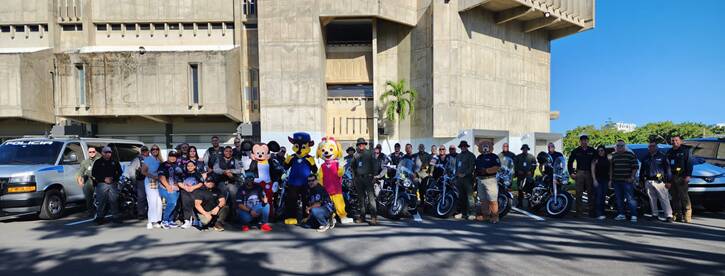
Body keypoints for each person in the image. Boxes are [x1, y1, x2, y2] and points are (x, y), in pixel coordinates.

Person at [641, 141, 673, 222]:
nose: (651, 148)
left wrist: (668, 181)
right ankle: (655, 214)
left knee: (664, 198)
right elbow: (642, 170)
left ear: (656, 147)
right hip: (648, 181)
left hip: (660, 181)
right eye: (650, 146)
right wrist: (641, 181)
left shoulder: (662, 156)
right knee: (652, 199)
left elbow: (668, 170)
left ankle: (669, 216)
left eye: (653, 146)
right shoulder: (646, 157)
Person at [91, 146, 123, 225]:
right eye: (106, 152)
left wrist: (113, 178)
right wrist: (103, 179)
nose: (108, 154)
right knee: (101, 201)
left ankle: (115, 217)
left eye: (109, 152)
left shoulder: (114, 162)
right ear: (102, 153)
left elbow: (119, 172)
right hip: (102, 184)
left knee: (114, 201)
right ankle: (100, 217)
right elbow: (94, 173)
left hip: (113, 183)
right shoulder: (98, 162)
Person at [568, 134, 597, 217]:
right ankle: (578, 213)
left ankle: (591, 212)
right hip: (579, 173)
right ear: (580, 142)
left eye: (586, 140)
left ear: (588, 141)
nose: (584, 142)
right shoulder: (576, 151)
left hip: (589, 173)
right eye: (582, 140)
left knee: (590, 193)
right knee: (578, 193)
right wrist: (571, 173)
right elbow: (570, 162)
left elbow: (596, 161)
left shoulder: (592, 150)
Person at [666, 135, 693, 223]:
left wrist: (688, 175)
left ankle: (687, 215)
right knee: (674, 197)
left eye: (676, 140)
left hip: (682, 177)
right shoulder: (669, 152)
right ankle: (677, 215)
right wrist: (667, 180)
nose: (674, 142)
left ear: (680, 141)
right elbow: (667, 166)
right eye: (673, 140)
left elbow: (689, 163)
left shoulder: (685, 150)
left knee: (684, 196)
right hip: (672, 177)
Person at [610, 140, 639, 222]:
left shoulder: (630, 155)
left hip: (627, 181)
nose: (620, 147)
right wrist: (611, 179)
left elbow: (635, 166)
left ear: (625, 146)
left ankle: (634, 215)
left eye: (621, 146)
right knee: (619, 199)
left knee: (630, 199)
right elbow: (612, 168)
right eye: (618, 146)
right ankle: (621, 214)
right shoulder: (614, 156)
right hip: (616, 181)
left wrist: (632, 177)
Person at [352, 138, 377, 225]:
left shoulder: (370, 153)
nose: (361, 145)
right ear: (358, 145)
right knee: (361, 199)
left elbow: (375, 165)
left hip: (368, 178)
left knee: (371, 199)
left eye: (362, 144)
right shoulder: (356, 155)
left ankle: (374, 218)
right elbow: (353, 167)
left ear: (365, 145)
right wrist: (354, 178)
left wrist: (375, 177)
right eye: (359, 144)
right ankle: (362, 217)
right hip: (359, 179)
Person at [475, 141, 502, 223]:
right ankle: (485, 215)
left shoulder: (494, 156)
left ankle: (495, 216)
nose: (485, 148)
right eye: (483, 146)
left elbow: (497, 167)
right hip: (480, 180)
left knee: (492, 199)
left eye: (486, 146)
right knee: (483, 200)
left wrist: (487, 170)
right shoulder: (479, 157)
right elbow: (476, 168)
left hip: (490, 179)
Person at [213, 146, 245, 210]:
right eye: (226, 151)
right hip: (221, 182)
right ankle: (221, 215)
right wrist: (224, 172)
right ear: (224, 152)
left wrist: (230, 171)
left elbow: (239, 170)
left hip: (232, 182)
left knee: (234, 199)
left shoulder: (235, 160)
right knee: (222, 199)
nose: (228, 152)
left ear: (232, 152)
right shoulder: (219, 159)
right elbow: (215, 169)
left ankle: (234, 215)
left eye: (230, 151)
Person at [158, 151, 184, 228]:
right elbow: (161, 177)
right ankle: (164, 220)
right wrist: (168, 186)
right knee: (172, 203)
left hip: (176, 188)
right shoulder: (163, 165)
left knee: (175, 204)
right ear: (168, 156)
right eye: (171, 156)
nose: (173, 157)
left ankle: (170, 220)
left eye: (174, 156)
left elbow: (181, 175)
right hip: (165, 188)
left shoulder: (178, 165)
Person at [141, 145, 164, 229]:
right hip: (151, 181)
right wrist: (153, 176)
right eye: (153, 149)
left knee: (159, 202)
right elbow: (143, 171)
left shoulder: (160, 160)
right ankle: (150, 221)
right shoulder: (148, 159)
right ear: (150, 151)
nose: (155, 150)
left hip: (159, 182)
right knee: (152, 201)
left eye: (156, 149)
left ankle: (157, 220)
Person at [124, 146, 150, 219]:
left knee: (150, 197)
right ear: (141, 151)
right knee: (141, 197)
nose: (145, 152)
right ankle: (141, 213)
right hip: (141, 180)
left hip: (151, 180)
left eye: (146, 150)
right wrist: (134, 180)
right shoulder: (137, 159)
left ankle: (150, 212)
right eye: (143, 151)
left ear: (148, 151)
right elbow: (131, 171)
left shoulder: (151, 159)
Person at [178, 161, 206, 229]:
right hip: (185, 190)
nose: (190, 167)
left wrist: (192, 188)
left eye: (191, 165)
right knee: (185, 200)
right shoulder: (183, 174)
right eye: (188, 166)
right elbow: (179, 182)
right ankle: (187, 220)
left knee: (195, 200)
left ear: (194, 166)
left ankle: (197, 219)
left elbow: (201, 183)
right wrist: (185, 188)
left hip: (195, 190)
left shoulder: (198, 174)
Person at [76, 146, 100, 217]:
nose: (92, 153)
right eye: (90, 152)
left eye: (93, 152)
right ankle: (90, 212)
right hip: (89, 180)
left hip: (99, 181)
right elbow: (80, 172)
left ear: (95, 152)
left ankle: (102, 211)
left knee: (100, 197)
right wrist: (79, 180)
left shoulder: (100, 160)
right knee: (88, 196)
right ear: (88, 153)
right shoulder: (85, 162)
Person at [454, 140, 476, 220]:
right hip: (459, 179)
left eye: (464, 146)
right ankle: (462, 213)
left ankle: (472, 213)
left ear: (467, 147)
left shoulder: (471, 155)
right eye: (462, 146)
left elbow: (472, 167)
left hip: (468, 179)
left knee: (470, 197)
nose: (463, 147)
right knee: (461, 196)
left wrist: (465, 174)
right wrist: (456, 176)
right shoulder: (458, 156)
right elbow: (456, 167)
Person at [590, 145, 610, 220]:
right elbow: (592, 170)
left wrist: (610, 180)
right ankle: (598, 213)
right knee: (598, 196)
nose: (600, 152)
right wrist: (594, 180)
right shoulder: (595, 160)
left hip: (605, 180)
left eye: (602, 150)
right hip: (598, 180)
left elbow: (610, 169)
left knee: (603, 197)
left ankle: (602, 212)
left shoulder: (608, 159)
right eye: (599, 151)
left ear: (604, 151)